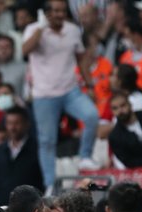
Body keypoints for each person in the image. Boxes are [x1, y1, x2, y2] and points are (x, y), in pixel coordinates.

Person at [22, 0, 100, 185]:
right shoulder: (34, 28)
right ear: (46, 12)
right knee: (47, 141)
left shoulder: (72, 29)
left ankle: (85, 156)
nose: (59, 14)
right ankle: (50, 184)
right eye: (55, 11)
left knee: (91, 116)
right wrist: (41, 27)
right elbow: (25, 50)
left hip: (70, 89)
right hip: (44, 94)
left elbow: (81, 58)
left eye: (62, 11)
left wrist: (89, 84)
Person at [0, 107, 43, 202]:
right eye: (9, 123)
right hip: (1, 206)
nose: (12, 127)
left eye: (17, 123)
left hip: (28, 208)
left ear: (26, 124)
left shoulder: (38, 150)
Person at [108, 93, 142, 169]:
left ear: (130, 105)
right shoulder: (115, 137)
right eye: (115, 108)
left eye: (123, 105)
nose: (120, 111)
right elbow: (128, 162)